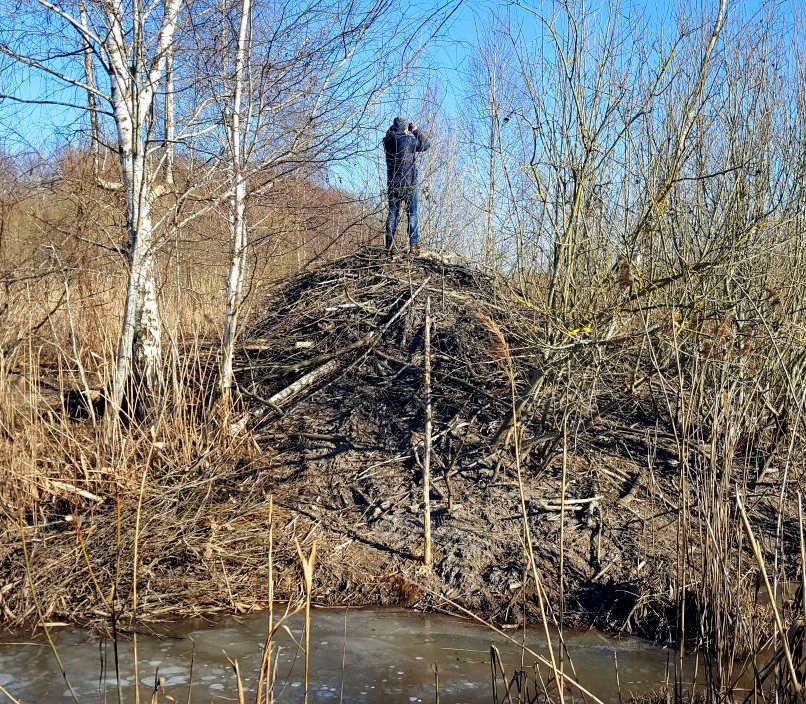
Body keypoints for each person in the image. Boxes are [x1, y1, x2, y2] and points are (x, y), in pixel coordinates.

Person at [383, 116, 430, 255]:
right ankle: (414, 245)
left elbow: (390, 134)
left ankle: (389, 245)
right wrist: (415, 130)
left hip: (393, 184)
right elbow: (426, 144)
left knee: (392, 215)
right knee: (413, 214)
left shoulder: (387, 141)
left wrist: (398, 128)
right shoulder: (408, 140)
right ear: (405, 128)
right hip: (409, 184)